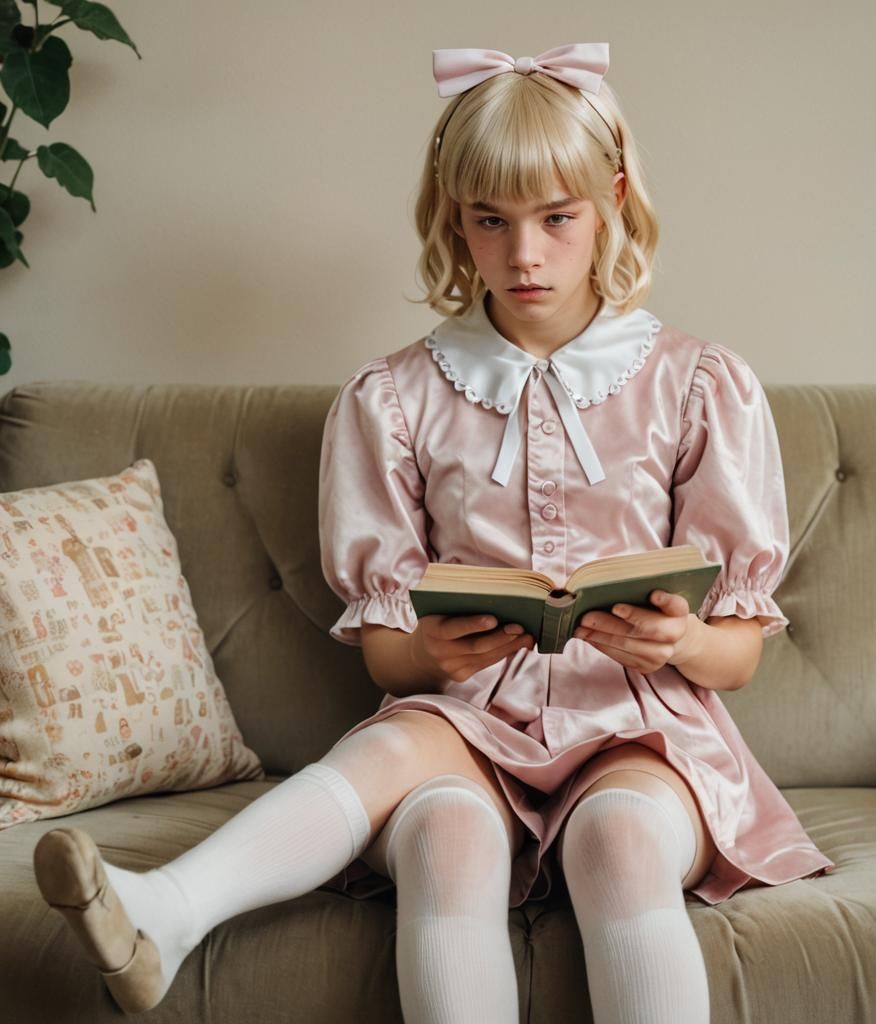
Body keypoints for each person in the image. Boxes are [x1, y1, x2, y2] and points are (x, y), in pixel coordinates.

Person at [32, 42, 835, 1023]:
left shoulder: (699, 385)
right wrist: (430, 651)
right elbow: (385, 656)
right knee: (443, 837)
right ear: (455, 216)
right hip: (464, 725)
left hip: (641, 728)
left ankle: (174, 904)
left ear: (612, 198)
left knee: (620, 844)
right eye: (491, 221)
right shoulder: (395, 397)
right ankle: (167, 909)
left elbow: (739, 652)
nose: (523, 254)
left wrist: (683, 639)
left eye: (556, 218)